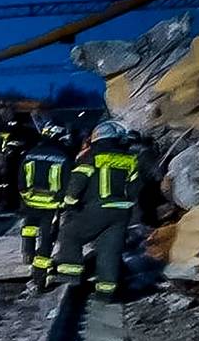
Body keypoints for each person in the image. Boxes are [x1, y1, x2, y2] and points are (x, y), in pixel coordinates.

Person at [52, 120, 141, 302]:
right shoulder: (129, 158)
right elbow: (135, 187)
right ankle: (106, 293)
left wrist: (69, 202)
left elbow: (78, 181)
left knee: (70, 234)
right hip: (122, 212)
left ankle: (70, 277)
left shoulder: (91, 156)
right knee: (109, 251)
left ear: (96, 137)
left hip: (97, 208)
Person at [17, 122, 72, 293]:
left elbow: (21, 179)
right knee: (47, 239)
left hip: (31, 201)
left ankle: (27, 253)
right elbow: (67, 182)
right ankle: (39, 278)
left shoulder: (30, 154)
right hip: (52, 205)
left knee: (29, 228)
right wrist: (65, 203)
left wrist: (24, 196)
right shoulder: (63, 157)